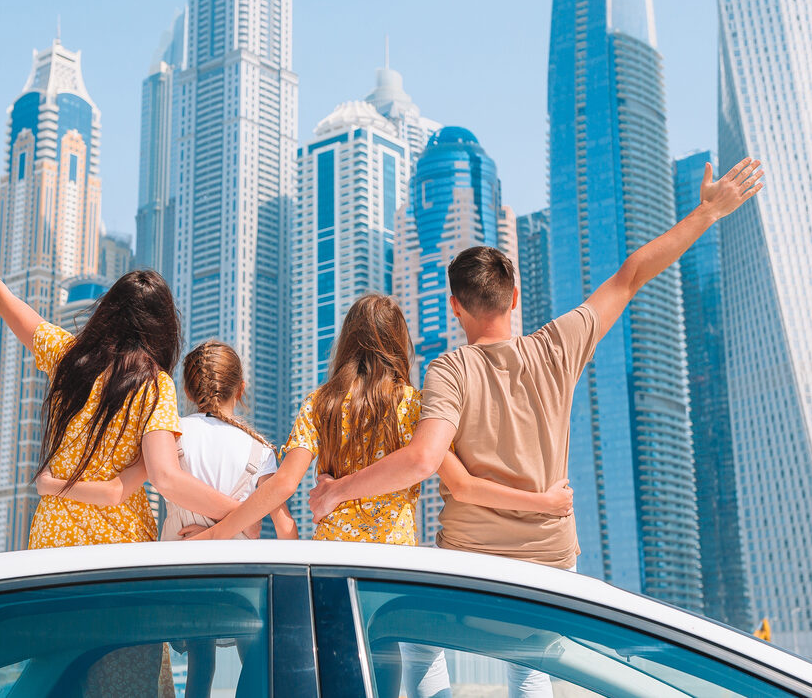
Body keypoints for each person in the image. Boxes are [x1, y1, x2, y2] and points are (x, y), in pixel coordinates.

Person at [307, 157, 765, 697]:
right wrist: (707, 212)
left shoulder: (449, 369)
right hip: (550, 559)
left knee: (414, 640)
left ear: (454, 306)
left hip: (470, 559)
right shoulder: (557, 346)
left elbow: (425, 461)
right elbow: (632, 274)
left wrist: (338, 490)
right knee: (530, 674)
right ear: (514, 296)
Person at [0, 199, 247, 696]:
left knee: (62, 679)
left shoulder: (67, 357)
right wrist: (246, 511)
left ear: (110, 313)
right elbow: (167, 479)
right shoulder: (155, 386)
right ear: (162, 327)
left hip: (52, 553)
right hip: (119, 567)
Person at [189, 294, 569, 698]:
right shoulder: (414, 405)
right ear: (397, 342)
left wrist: (215, 536)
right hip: (390, 577)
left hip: (331, 572)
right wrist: (543, 502)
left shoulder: (321, 403)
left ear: (347, 340)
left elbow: (282, 485)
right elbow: (463, 485)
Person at [38, 339, 295, 697]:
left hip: (181, 577)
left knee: (199, 665)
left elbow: (118, 489)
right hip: (241, 581)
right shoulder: (261, 450)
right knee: (251, 655)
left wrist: (51, 485)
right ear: (241, 388)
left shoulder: (170, 436)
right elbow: (285, 528)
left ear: (187, 390)